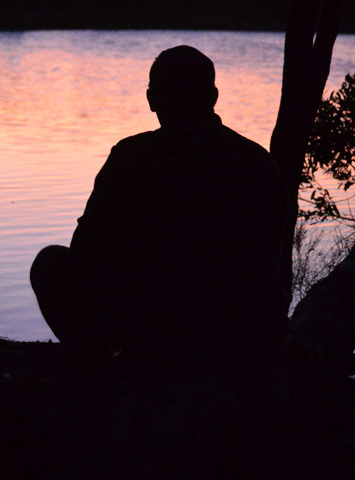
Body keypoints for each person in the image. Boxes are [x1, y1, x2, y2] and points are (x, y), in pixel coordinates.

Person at [31, 46, 288, 373]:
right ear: (213, 96)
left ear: (152, 99)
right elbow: (271, 259)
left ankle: (100, 376)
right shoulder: (258, 161)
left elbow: (86, 252)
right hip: (248, 335)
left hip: (158, 335)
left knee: (51, 263)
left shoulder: (134, 157)